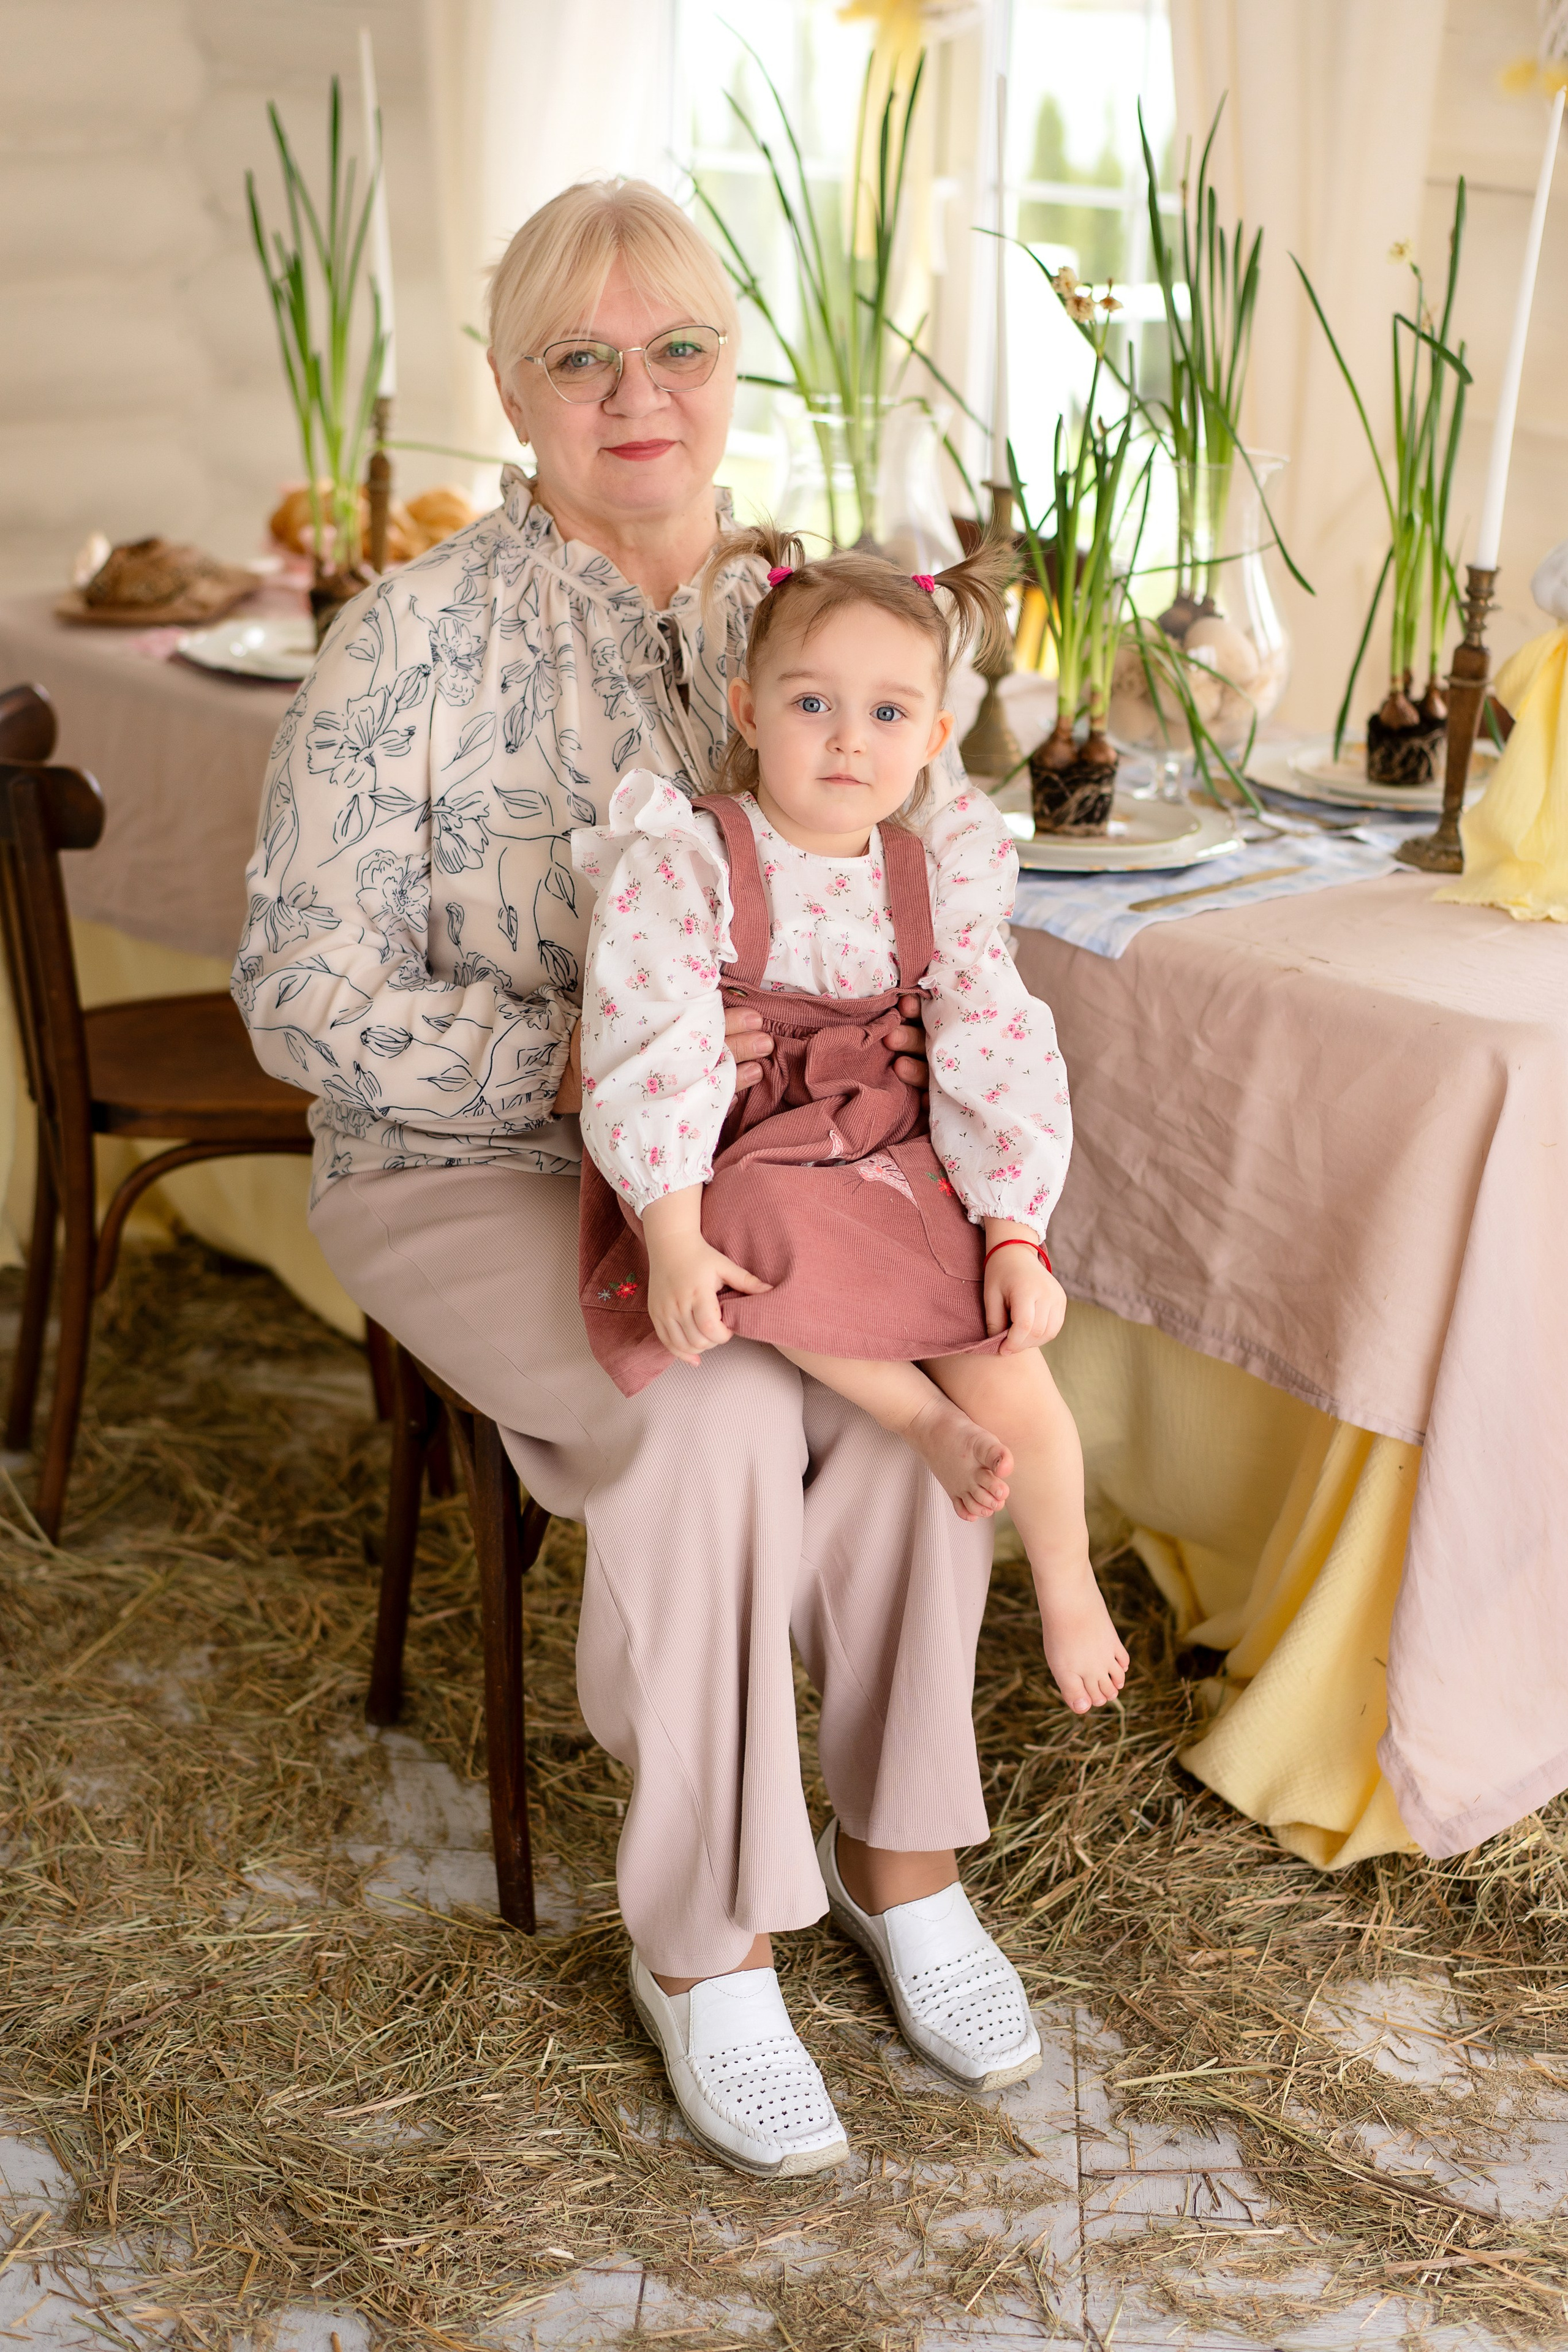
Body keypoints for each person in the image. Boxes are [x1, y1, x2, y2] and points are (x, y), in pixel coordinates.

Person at [233, 177, 1050, 2184]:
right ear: (510, 388)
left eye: (676, 345)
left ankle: (905, 1857)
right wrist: (627, 1086)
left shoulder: (814, 621)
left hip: (789, 1168)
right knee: (710, 1408)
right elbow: (294, 983)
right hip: (467, 1162)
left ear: (731, 362)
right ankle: (707, 1939)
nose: (638, 394)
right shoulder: (411, 636)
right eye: (581, 357)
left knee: (935, 1375)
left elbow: (931, 897)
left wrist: (946, 1159)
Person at [574, 529, 1129, 1726]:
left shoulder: (936, 869)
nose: (845, 738)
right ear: (748, 707)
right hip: (751, 1137)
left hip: (892, 1137)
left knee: (1004, 1351)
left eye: (886, 713)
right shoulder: (689, 860)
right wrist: (669, 1235)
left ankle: (1068, 1578)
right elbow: (649, 1045)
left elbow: (994, 1049)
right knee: (753, 1229)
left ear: (932, 739)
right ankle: (911, 1416)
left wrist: (1012, 1231)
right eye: (812, 702)